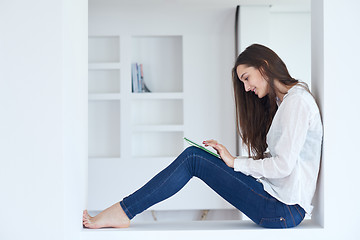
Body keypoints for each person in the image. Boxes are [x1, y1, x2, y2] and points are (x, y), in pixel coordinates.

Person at [83, 44, 323, 229]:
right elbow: (281, 161)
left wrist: (234, 163)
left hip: (283, 208)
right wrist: (231, 160)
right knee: (195, 157)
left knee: (193, 159)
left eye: (246, 78)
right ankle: (124, 211)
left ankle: (123, 212)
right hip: (280, 204)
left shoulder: (297, 102)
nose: (247, 88)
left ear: (264, 65)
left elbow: (283, 166)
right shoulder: (288, 103)